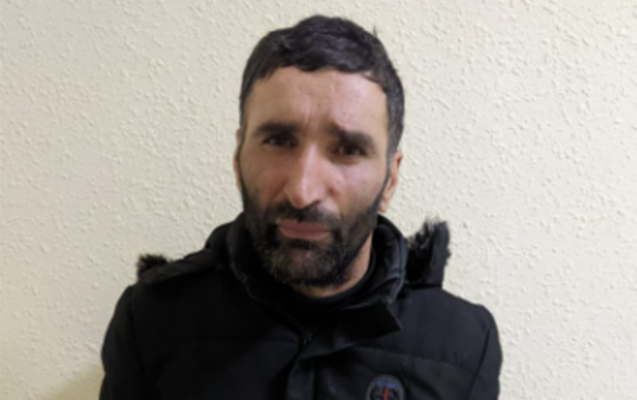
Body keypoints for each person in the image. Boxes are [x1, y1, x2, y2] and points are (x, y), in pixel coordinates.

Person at [100, 15, 502, 400]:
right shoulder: (153, 320)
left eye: (348, 150)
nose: (303, 192)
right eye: (278, 141)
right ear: (238, 158)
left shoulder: (465, 344)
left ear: (390, 178)